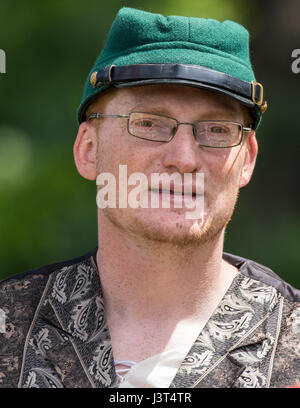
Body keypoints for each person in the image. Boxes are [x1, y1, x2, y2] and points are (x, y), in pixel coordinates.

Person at [0, 7, 299, 389]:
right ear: (89, 149)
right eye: (148, 123)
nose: (184, 158)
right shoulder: (11, 323)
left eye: (216, 129)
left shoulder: (293, 342)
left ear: (247, 160)